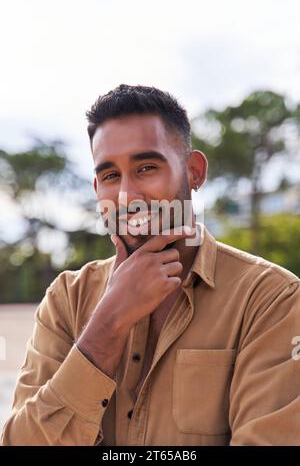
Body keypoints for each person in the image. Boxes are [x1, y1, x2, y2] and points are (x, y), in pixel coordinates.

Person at [1, 85, 300, 446]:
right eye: (111, 176)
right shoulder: (67, 299)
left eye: (146, 168)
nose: (127, 196)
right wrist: (108, 324)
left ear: (194, 172)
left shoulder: (271, 299)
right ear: (97, 187)